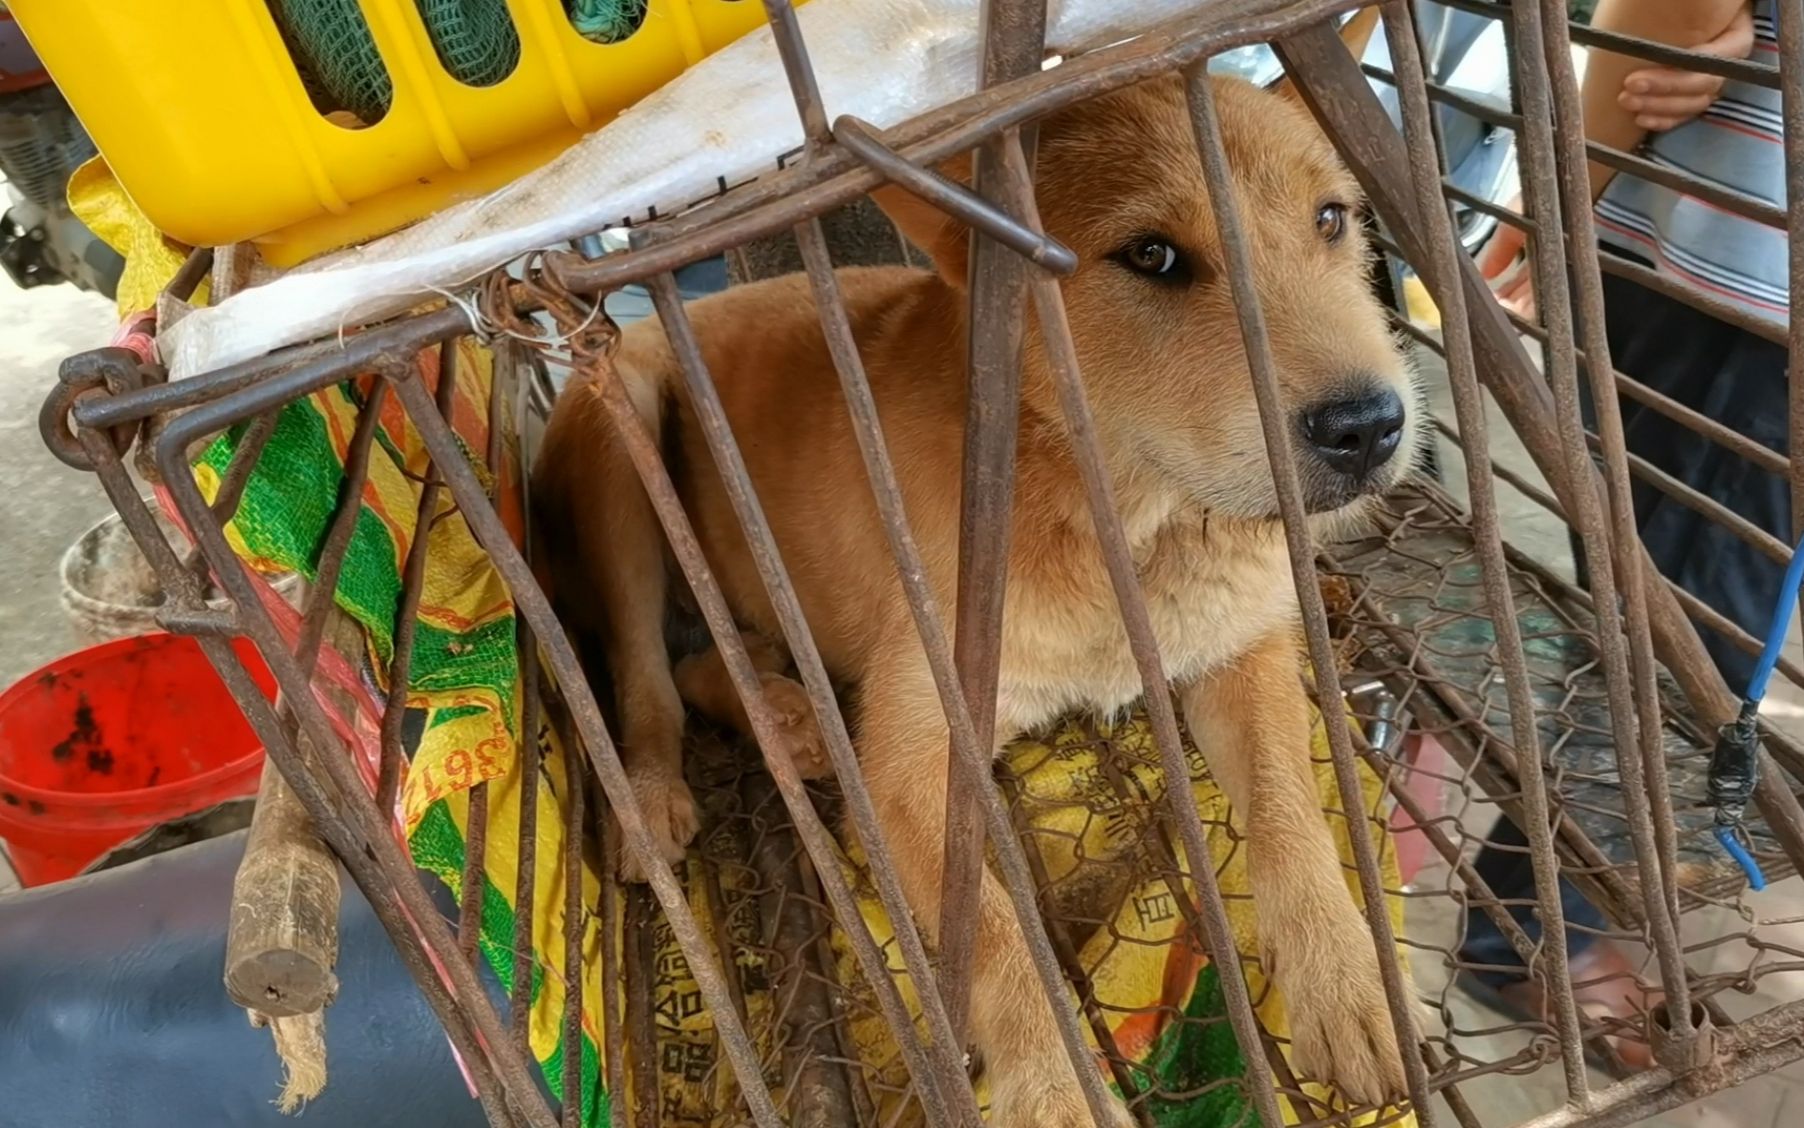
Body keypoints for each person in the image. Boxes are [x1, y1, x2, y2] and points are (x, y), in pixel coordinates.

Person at [1457, 0, 1781, 1066]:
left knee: (1660, 621)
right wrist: (1548, 213)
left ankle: (1576, 873)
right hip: (1726, 299)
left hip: (1704, 278)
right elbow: (1662, 19)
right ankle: (1531, 934)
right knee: (1684, 636)